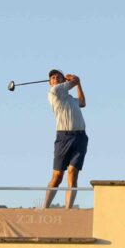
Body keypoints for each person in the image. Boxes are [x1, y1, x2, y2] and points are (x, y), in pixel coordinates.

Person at [44, 69, 87, 209]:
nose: (55, 79)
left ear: (63, 81)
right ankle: (45, 207)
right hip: (63, 137)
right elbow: (75, 81)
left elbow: (82, 102)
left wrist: (78, 84)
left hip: (80, 137)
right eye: (53, 78)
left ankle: (68, 209)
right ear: (50, 83)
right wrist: (75, 79)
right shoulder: (54, 92)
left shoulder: (70, 99)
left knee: (72, 174)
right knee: (57, 176)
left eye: (58, 77)